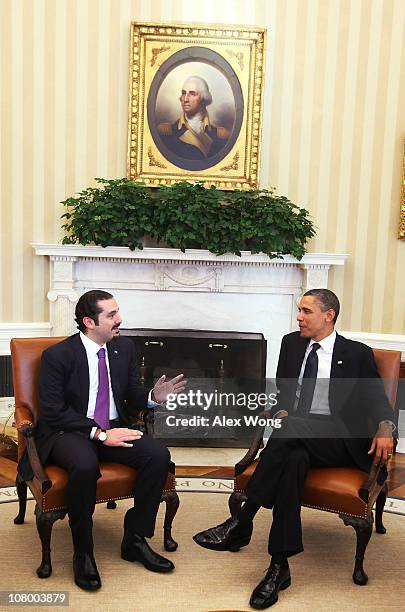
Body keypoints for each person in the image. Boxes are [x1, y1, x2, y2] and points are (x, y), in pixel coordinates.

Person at [193, 289, 395, 609]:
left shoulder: (356, 353)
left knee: (288, 434)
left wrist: (386, 425)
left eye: (306, 311)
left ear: (328, 315)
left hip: (339, 440)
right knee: (292, 462)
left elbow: (376, 399)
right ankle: (278, 567)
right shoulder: (291, 343)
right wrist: (280, 409)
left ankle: (242, 521)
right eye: (298, 310)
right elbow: (286, 395)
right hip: (297, 435)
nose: (298, 317)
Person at [19, 290, 186, 591]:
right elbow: (55, 412)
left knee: (158, 456)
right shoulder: (58, 356)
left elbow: (132, 394)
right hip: (68, 432)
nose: (119, 319)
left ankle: (134, 538)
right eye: (111, 315)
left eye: (117, 311)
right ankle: (83, 552)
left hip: (113, 426)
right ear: (88, 321)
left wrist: (153, 398)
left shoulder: (124, 349)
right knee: (84, 465)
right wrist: (99, 434)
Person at [157, 76, 230, 160]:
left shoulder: (221, 135)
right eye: (184, 93)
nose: (185, 99)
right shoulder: (165, 132)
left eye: (192, 94)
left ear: (203, 98)